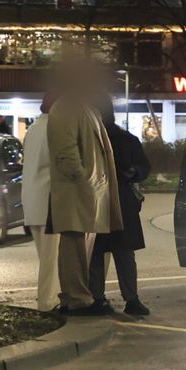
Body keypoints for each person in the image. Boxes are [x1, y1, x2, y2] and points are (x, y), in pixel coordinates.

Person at [46, 63, 122, 316]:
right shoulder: (67, 107)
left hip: (87, 193)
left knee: (81, 251)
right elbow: (65, 153)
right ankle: (77, 300)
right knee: (74, 249)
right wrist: (84, 179)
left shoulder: (82, 107)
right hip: (78, 193)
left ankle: (79, 298)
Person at [90, 95, 151, 317]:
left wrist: (134, 171)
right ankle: (128, 299)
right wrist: (134, 172)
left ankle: (99, 298)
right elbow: (144, 167)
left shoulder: (93, 138)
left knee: (100, 252)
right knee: (121, 253)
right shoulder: (126, 139)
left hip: (104, 200)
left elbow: (143, 167)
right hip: (120, 201)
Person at [22, 97, 59, 312]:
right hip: (47, 201)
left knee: (45, 256)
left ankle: (50, 299)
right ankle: (47, 301)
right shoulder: (53, 130)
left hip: (32, 201)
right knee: (50, 259)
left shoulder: (33, 129)